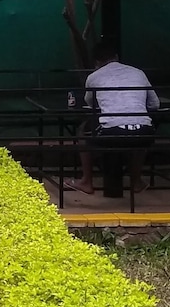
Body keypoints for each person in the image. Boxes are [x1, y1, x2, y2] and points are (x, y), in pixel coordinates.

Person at [68, 38, 159, 194]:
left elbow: (90, 104)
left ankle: (86, 182)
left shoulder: (94, 77)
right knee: (140, 133)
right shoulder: (138, 73)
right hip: (144, 133)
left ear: (96, 61)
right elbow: (155, 104)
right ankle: (136, 181)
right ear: (116, 56)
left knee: (83, 131)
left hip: (112, 133)